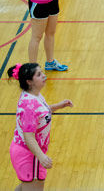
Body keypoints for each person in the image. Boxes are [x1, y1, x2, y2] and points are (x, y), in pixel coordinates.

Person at [7, 62, 73, 190]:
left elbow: (42, 113)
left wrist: (59, 106)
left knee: (25, 187)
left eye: (42, 72)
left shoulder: (34, 95)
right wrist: (41, 157)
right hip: (29, 154)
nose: (44, 76)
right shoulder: (29, 105)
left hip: (29, 152)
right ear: (29, 81)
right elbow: (29, 137)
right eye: (39, 74)